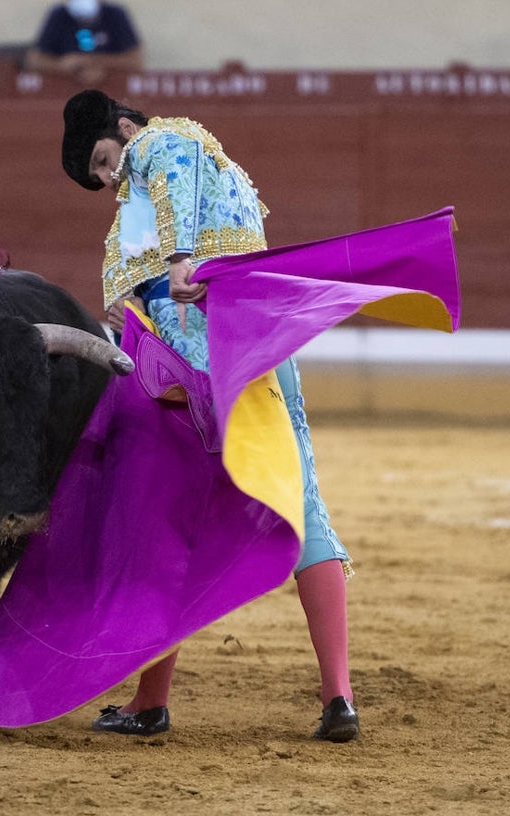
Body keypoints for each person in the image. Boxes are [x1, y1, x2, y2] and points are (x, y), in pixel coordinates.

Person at [59, 89, 360, 742]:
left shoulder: (162, 145)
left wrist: (175, 265)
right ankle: (338, 695)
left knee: (167, 518)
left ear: (122, 127)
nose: (112, 177)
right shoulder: (174, 175)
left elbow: (171, 182)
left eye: (106, 160)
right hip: (256, 339)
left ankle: (150, 702)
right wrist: (127, 306)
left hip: (191, 355)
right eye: (103, 176)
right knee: (299, 497)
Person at [24, 0, 143, 86]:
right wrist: (60, 65)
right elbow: (35, 60)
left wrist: (95, 63)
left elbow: (135, 61)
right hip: (66, 91)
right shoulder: (59, 15)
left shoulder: (115, 14)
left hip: (113, 93)